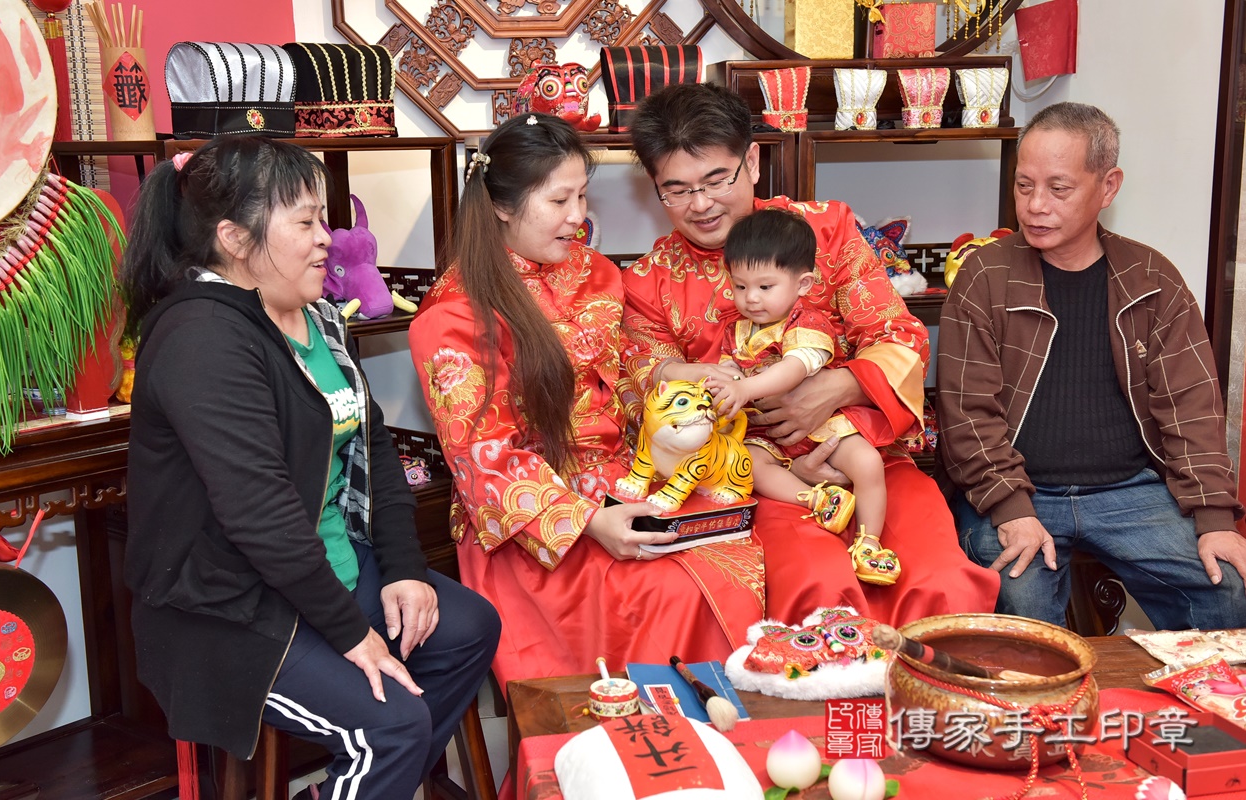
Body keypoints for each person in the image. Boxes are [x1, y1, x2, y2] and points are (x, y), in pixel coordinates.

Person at [120, 136, 500, 798]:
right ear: (235, 239)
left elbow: (375, 448)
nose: (327, 238)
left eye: (324, 218)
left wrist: (404, 570)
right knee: (393, 727)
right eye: (305, 222)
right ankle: (379, 771)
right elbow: (259, 515)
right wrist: (354, 636)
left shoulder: (317, 317)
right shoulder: (200, 338)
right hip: (232, 606)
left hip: (325, 567)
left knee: (469, 629)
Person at [407, 113, 765, 688]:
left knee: (742, 551)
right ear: (501, 206)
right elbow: (483, 458)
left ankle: (722, 726)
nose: (578, 216)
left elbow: (623, 379)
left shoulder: (595, 273)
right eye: (559, 200)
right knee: (669, 588)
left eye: (582, 195)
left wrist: (683, 391)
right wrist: (591, 521)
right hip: (536, 521)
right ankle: (648, 727)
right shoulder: (454, 314)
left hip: (623, 478)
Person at [623, 82, 998, 626]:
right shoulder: (647, 282)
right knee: (819, 590)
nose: (700, 204)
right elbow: (645, 384)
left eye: (717, 180)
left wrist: (837, 388)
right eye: (676, 190)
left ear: (752, 161)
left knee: (939, 582)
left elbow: (901, 336)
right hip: (752, 477)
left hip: (863, 450)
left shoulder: (826, 229)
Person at [937, 101, 1246, 630]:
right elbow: (966, 413)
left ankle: (1172, 690)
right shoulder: (985, 276)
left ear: (1108, 187)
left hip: (1130, 491)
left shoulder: (1152, 278)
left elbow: (1192, 408)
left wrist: (1215, 518)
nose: (1036, 206)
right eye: (1024, 186)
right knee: (1024, 608)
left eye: (1058, 189)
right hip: (1018, 490)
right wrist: (1011, 509)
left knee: (1229, 592)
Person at [707, 208, 897, 583]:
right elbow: (730, 365)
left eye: (765, 287)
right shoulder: (736, 328)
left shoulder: (806, 321)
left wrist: (744, 388)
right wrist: (725, 379)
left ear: (803, 284)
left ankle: (869, 542)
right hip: (768, 433)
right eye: (740, 287)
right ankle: (816, 500)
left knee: (867, 463)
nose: (751, 299)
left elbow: (794, 368)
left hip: (821, 424)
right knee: (748, 465)